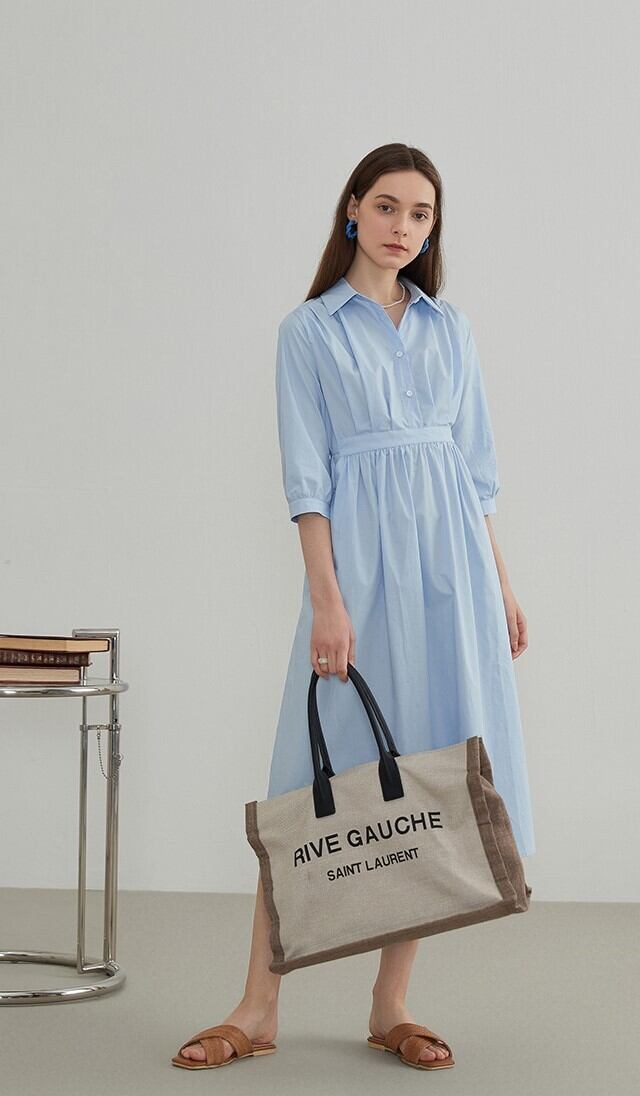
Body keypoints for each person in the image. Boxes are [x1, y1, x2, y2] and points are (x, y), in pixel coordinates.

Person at [173, 142, 535, 1071]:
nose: (403, 227)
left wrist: (499, 585)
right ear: (351, 211)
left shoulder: (451, 328)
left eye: (421, 214)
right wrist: (326, 602)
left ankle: (391, 1003)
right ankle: (257, 1007)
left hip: (452, 570)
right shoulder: (310, 330)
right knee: (311, 780)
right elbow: (307, 482)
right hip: (361, 572)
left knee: (430, 776)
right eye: (386, 207)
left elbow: (476, 473)